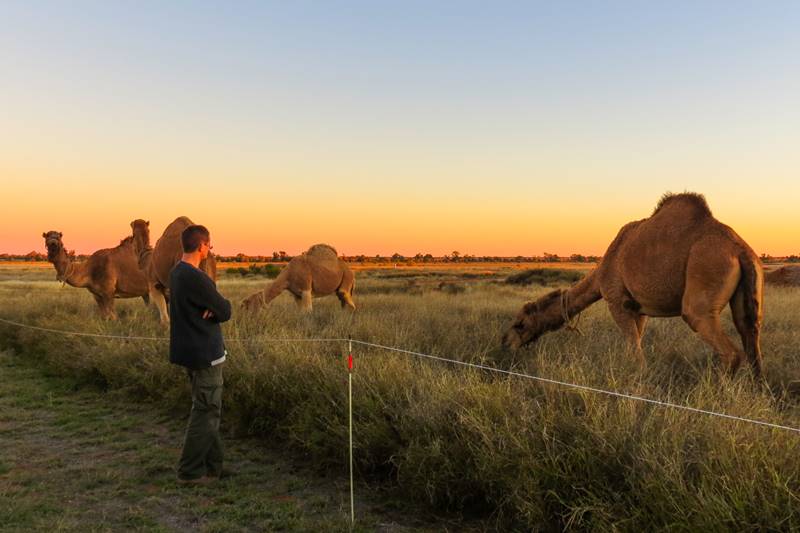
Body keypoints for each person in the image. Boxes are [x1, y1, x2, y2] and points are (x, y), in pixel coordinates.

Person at [169, 224, 232, 483]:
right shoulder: (196, 277)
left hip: (188, 351)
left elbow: (202, 306)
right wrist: (215, 309)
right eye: (209, 245)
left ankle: (213, 467)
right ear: (201, 246)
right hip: (205, 353)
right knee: (205, 411)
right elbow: (226, 310)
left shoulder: (176, 273)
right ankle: (190, 471)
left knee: (208, 410)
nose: (209, 250)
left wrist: (210, 308)